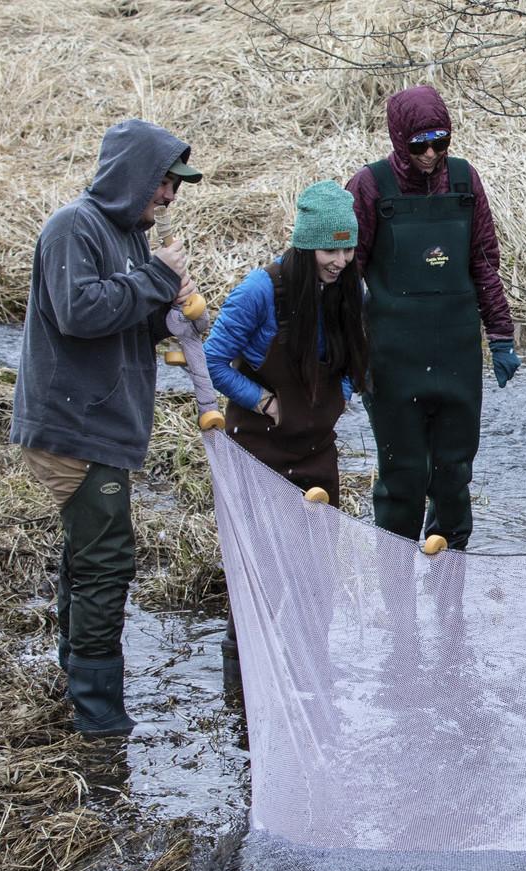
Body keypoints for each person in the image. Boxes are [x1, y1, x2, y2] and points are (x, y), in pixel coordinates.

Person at [10, 118, 203, 736]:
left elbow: (123, 321)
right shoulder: (74, 227)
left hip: (105, 427)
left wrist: (167, 310)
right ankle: (99, 714)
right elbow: (79, 313)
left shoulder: (127, 237)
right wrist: (155, 279)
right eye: (166, 182)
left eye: (175, 185)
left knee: (87, 553)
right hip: (73, 426)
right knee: (107, 561)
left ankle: (77, 676)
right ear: (136, 177)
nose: (171, 195)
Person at [204, 180, 370, 697]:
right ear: (304, 244)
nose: (339, 260)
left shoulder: (350, 291)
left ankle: (310, 680)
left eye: (347, 247)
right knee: (260, 574)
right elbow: (214, 361)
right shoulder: (260, 291)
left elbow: (353, 364)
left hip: (316, 453)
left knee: (316, 573)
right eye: (330, 248)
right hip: (258, 450)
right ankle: (243, 686)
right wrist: (265, 402)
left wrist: (335, 398)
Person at [345, 85, 519, 550]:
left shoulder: (464, 182)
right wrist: (346, 355)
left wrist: (500, 335)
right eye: (419, 144)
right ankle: (397, 591)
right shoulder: (369, 186)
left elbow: (484, 261)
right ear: (400, 139)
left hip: (457, 353)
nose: (430, 155)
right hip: (392, 358)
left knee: (453, 473)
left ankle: (450, 593)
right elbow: (345, 275)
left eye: (440, 142)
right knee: (403, 476)